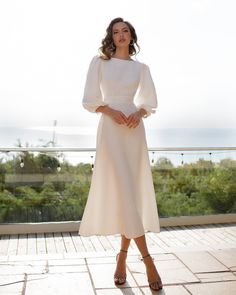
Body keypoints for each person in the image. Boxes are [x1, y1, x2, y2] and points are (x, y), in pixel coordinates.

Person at [79, 17, 163, 291]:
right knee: (126, 192)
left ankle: (123, 257)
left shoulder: (141, 68)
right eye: (116, 32)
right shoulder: (99, 63)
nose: (121, 35)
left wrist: (138, 113)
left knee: (131, 194)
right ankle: (148, 261)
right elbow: (90, 100)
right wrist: (110, 111)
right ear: (111, 37)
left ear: (131, 36)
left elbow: (149, 102)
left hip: (133, 132)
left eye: (125, 31)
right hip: (111, 132)